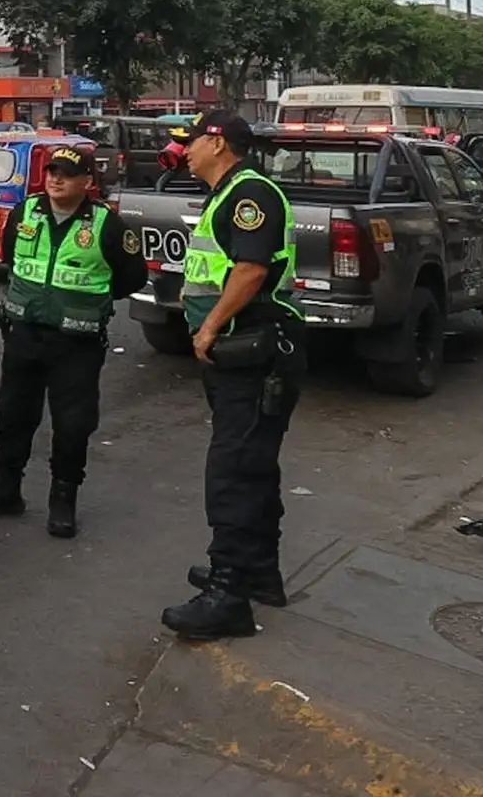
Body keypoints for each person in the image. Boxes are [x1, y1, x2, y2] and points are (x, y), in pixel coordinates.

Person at [158, 111, 307, 641]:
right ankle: (258, 573)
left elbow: (251, 269)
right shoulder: (227, 193)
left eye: (192, 141)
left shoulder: (249, 194)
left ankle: (228, 595)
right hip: (245, 353)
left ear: (218, 144)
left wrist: (208, 328)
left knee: (233, 472)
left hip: (254, 350)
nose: (185, 150)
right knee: (253, 466)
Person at [0, 145, 146, 537]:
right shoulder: (25, 212)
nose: (56, 179)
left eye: (66, 173)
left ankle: (63, 501)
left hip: (76, 342)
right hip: (24, 333)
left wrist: (84, 303)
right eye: (51, 172)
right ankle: (5, 491)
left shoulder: (107, 224)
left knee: (73, 424)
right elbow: (11, 257)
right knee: (12, 415)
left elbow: (131, 278)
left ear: (87, 182)